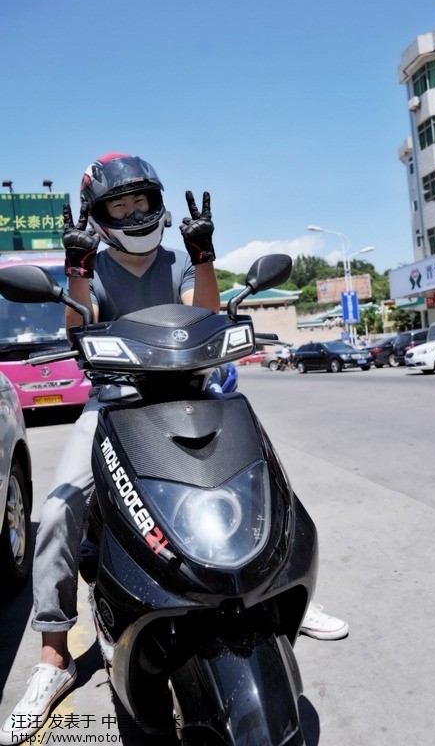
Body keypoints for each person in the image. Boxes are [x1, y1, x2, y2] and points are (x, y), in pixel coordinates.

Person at [0, 153, 347, 745]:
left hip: (195, 390)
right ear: (100, 215)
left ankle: (274, 590)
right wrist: (76, 268)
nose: (133, 212)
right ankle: (54, 654)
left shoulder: (180, 258)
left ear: (158, 202)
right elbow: (78, 329)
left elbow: (205, 315)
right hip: (115, 403)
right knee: (58, 511)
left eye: (141, 200)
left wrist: (205, 256)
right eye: (119, 204)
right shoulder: (93, 265)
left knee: (266, 478)